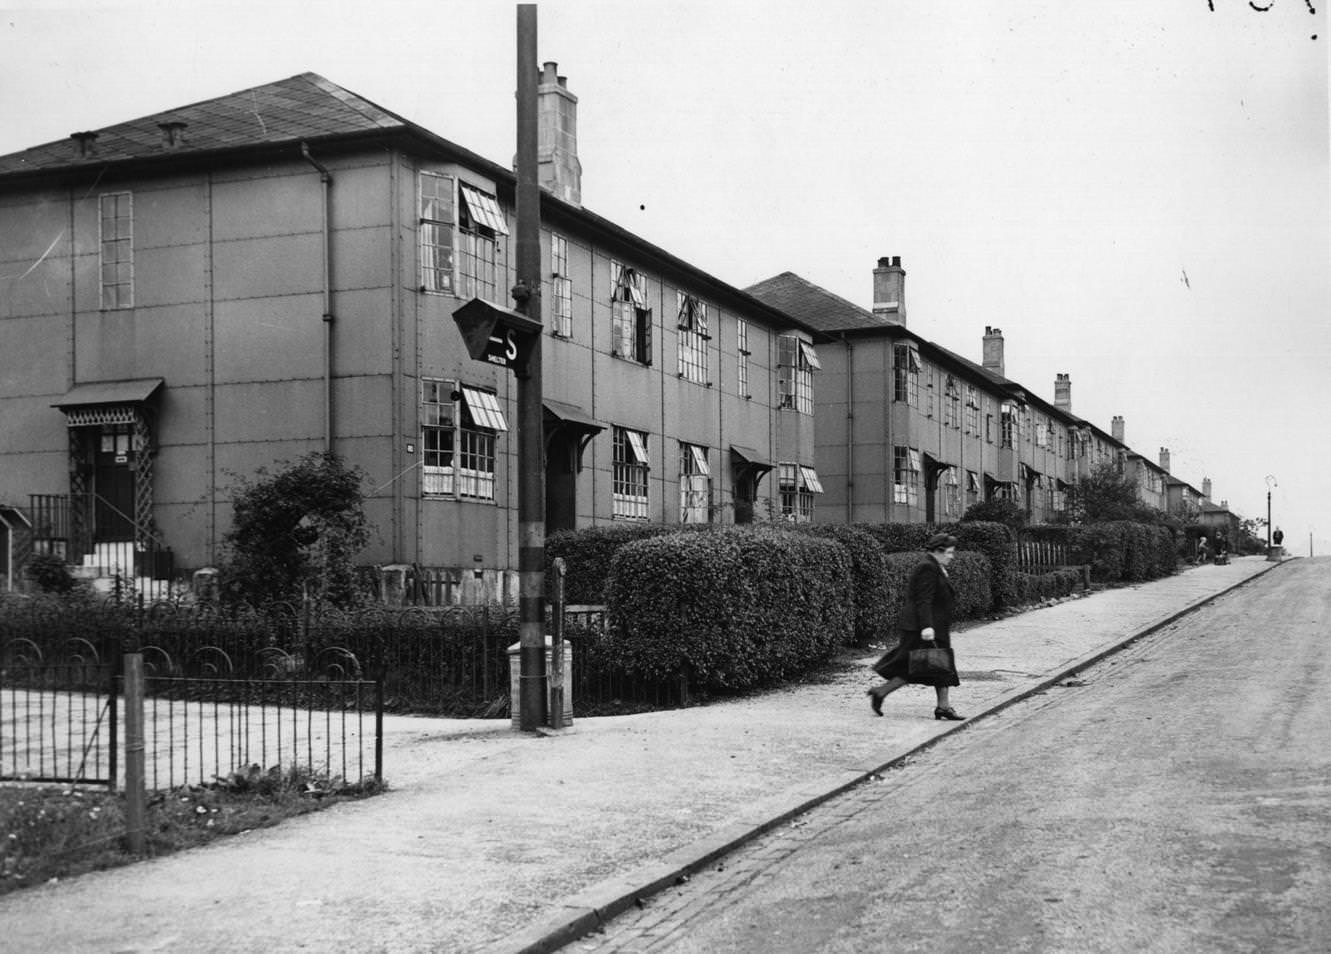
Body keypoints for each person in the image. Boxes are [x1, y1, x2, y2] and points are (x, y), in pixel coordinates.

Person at [866, 533, 963, 721]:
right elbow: (923, 600)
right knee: (924, 666)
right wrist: (927, 627)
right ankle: (941, 707)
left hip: (934, 626)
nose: (952, 556)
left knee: (938, 665)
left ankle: (942, 706)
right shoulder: (927, 567)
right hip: (922, 628)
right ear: (938, 551)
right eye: (949, 552)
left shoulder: (935, 566)